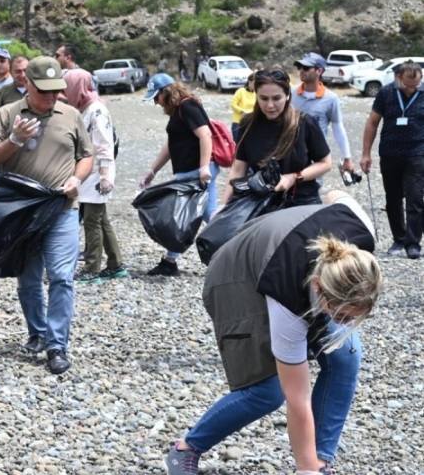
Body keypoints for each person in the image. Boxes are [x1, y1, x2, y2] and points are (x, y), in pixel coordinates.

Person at [164, 190, 381, 475]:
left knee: (347, 357)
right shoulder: (287, 299)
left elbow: (335, 193)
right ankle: (186, 449)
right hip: (236, 274)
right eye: (340, 315)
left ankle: (320, 459)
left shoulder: (361, 237)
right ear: (318, 289)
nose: (344, 322)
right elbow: (298, 398)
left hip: (287, 252)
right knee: (268, 391)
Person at [0, 56, 93, 374]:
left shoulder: (70, 114)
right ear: (26, 85)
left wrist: (77, 179)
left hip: (61, 209)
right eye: (43, 90)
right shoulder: (7, 114)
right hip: (21, 212)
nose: (50, 96)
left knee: (61, 277)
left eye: (56, 90)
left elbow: (86, 156)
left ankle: (57, 345)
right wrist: (14, 140)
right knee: (29, 279)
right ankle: (37, 331)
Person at [138, 73, 216, 276]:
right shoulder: (178, 110)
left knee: (189, 216)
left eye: (156, 97)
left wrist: (204, 167)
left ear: (166, 92)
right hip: (190, 171)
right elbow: (172, 144)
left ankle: (237, 252)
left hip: (195, 172)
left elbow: (206, 135)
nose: (156, 102)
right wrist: (152, 171)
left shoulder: (188, 107)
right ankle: (170, 261)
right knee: (195, 216)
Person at [222, 70, 332, 211]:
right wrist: (223, 206)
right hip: (260, 203)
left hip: (300, 202)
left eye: (276, 98)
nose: (270, 105)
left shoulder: (304, 122)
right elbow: (238, 170)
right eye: (263, 98)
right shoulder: (247, 124)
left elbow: (325, 163)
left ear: (287, 96)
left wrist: (293, 177)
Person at [62, 69, 126, 283]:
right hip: (91, 172)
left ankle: (92, 269)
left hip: (98, 174)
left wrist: (105, 176)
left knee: (91, 221)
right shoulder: (84, 107)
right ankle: (116, 264)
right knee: (101, 219)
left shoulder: (96, 110)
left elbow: (104, 145)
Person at [361, 60, 424, 259]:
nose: (411, 88)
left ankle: (413, 243)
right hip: (390, 153)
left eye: (416, 84)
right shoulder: (386, 93)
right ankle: (399, 238)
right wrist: (365, 153)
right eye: (407, 84)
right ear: (398, 77)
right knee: (393, 198)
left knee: (415, 198)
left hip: (417, 153)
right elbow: (372, 123)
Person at [291, 52, 354, 177]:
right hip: (291, 152)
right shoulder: (291, 93)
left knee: (312, 192)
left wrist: (347, 157)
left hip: (316, 157)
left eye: (306, 68)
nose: (301, 71)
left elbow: (338, 128)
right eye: (300, 67)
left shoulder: (331, 99)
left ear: (319, 71)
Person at [0, 56, 29, 128]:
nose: (23, 75)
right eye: (18, 71)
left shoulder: (39, 90)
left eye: (25, 70)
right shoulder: (3, 92)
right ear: (11, 72)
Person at [229, 72, 256, 143]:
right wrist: (242, 111)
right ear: (249, 81)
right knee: (238, 143)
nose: (255, 86)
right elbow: (233, 104)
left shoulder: (256, 93)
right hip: (238, 122)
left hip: (251, 122)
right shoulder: (241, 91)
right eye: (254, 83)